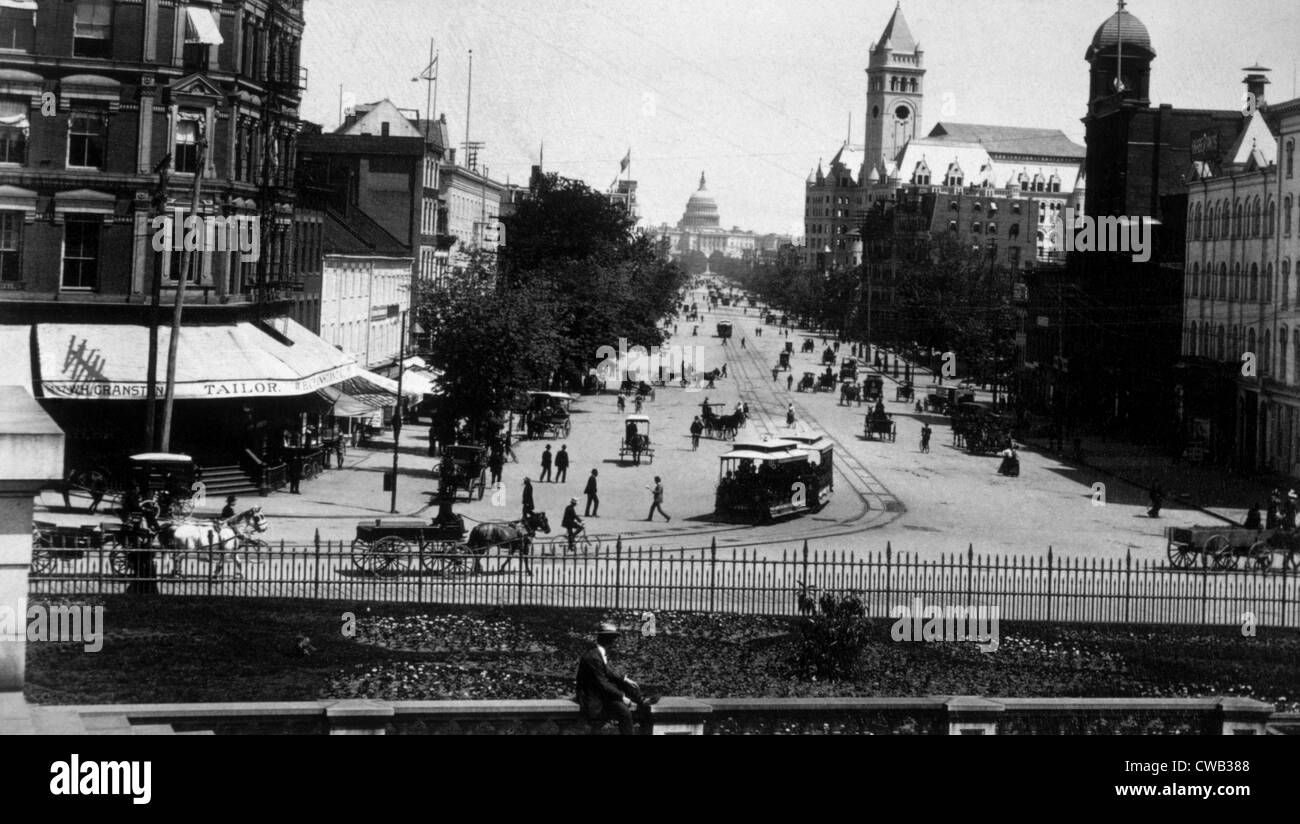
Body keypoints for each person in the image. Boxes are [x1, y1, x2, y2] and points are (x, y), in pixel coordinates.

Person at [575, 622, 645, 735]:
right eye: (615, 638)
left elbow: (608, 672)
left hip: (600, 692)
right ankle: (640, 700)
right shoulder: (593, 657)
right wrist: (622, 697)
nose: (616, 642)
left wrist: (625, 679)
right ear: (609, 640)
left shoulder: (598, 653)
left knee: (623, 684)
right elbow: (602, 683)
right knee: (624, 712)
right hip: (593, 696)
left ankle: (641, 699)